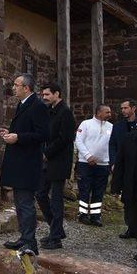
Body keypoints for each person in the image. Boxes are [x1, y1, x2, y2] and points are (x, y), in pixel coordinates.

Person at [0, 73, 50, 255]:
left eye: (16, 85)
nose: (13, 87)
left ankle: (30, 242)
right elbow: (25, 130)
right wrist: (10, 133)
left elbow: (43, 134)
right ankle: (24, 238)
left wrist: (18, 137)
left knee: (26, 203)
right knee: (20, 203)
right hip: (19, 162)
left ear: (26, 88)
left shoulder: (38, 106)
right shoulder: (23, 104)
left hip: (28, 164)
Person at [35, 82, 75, 250]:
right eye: (43, 95)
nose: (44, 98)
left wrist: (47, 152)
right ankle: (56, 229)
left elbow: (64, 138)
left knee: (57, 199)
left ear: (57, 94)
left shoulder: (65, 112)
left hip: (58, 162)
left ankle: (56, 238)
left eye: (47, 95)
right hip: (47, 162)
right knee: (40, 193)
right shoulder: (50, 111)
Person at [111, 110, 137, 273]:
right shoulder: (129, 139)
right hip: (133, 189)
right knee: (134, 222)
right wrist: (116, 188)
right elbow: (120, 165)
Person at [75, 104, 113, 226]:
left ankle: (95, 216)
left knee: (99, 191)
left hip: (103, 165)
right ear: (99, 113)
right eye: (107, 112)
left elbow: (113, 145)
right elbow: (79, 141)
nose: (110, 114)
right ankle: (82, 214)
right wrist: (88, 156)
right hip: (85, 163)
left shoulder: (111, 127)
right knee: (84, 189)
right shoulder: (86, 124)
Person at [109, 99, 137, 239]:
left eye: (126, 108)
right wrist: (114, 162)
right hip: (123, 168)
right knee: (127, 198)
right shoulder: (118, 127)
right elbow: (112, 145)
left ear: (133, 108)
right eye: (122, 108)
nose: (123, 111)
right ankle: (130, 228)